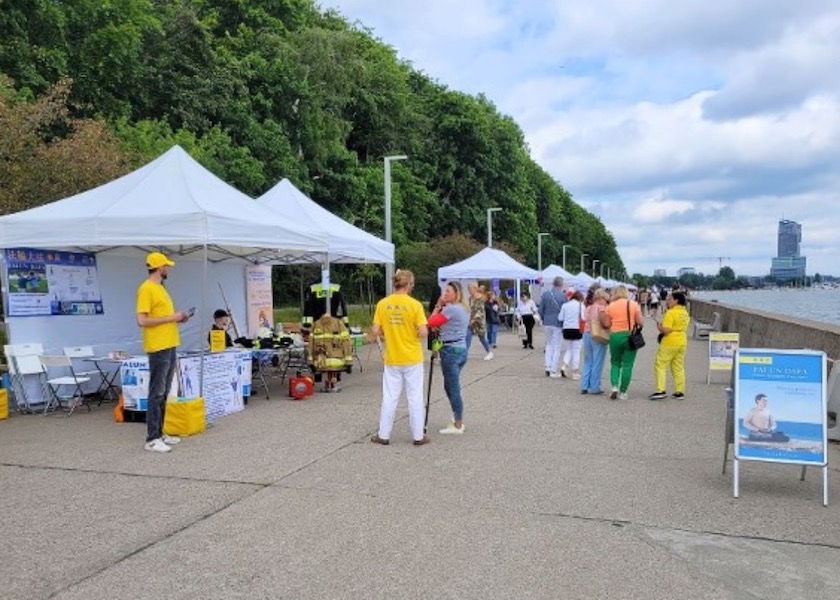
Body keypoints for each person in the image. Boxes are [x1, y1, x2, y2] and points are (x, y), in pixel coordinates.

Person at [136, 252, 191, 453]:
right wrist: (172, 318)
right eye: (167, 266)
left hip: (169, 343)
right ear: (160, 267)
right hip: (158, 346)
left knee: (165, 391)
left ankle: (160, 433)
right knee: (156, 392)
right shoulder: (146, 289)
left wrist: (178, 318)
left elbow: (164, 317)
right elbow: (141, 320)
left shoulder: (160, 288)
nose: (169, 269)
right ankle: (151, 438)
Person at [370, 269, 430, 446]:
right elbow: (424, 331)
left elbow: (375, 330)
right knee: (415, 397)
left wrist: (387, 333)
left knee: (389, 397)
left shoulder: (383, 304)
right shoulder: (415, 305)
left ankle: (384, 434)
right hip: (412, 357)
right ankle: (418, 436)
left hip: (392, 357)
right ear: (409, 284)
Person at [428, 281, 470, 434]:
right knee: (450, 386)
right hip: (461, 349)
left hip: (450, 350)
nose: (444, 294)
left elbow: (431, 322)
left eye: (448, 292)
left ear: (456, 294)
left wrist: (438, 306)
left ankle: (458, 423)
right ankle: (456, 417)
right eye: (445, 291)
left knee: (453, 388)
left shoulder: (451, 309)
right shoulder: (464, 308)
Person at [601, 285, 645, 400]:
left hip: (615, 336)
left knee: (615, 363)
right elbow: (641, 322)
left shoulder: (611, 306)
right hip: (629, 336)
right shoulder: (634, 304)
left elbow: (606, 324)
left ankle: (614, 386)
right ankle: (623, 391)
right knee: (627, 365)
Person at [649, 291, 690, 400]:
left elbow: (666, 330)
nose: (668, 301)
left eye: (670, 299)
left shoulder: (671, 313)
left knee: (660, 364)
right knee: (678, 366)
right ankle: (679, 391)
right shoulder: (685, 313)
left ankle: (660, 390)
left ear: (676, 300)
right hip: (682, 340)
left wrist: (659, 327)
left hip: (670, 341)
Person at [581, 288, 610, 395]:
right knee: (598, 362)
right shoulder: (602, 308)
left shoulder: (588, 307)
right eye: (606, 299)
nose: (606, 301)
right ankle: (595, 387)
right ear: (602, 298)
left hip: (587, 333)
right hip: (597, 335)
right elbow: (605, 323)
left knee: (588, 360)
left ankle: (584, 385)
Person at [539, 276, 566, 377]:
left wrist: (543, 318)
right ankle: (553, 370)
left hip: (547, 322)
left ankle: (547, 366)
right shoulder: (563, 296)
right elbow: (564, 311)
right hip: (557, 323)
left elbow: (541, 309)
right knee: (556, 347)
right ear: (561, 284)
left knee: (548, 345)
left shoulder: (545, 294)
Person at [557, 290, 584, 379]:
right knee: (576, 351)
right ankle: (575, 372)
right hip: (577, 329)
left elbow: (560, 318)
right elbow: (584, 318)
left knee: (569, 349)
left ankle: (564, 366)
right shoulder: (581, 306)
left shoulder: (565, 305)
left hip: (567, 329)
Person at [466, 283, 493, 360]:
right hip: (471, 320)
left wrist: (475, 319)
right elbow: (469, 309)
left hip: (479, 321)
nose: (469, 291)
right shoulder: (470, 298)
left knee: (482, 337)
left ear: (475, 289)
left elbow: (480, 310)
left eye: (470, 289)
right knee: (468, 335)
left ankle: (489, 352)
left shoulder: (481, 298)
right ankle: (465, 353)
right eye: (468, 289)